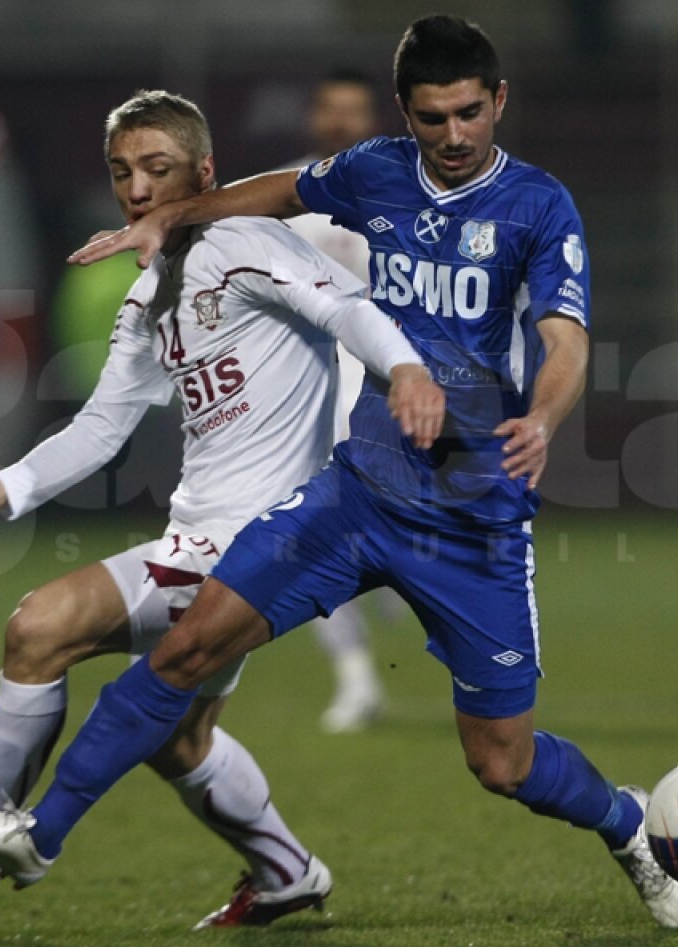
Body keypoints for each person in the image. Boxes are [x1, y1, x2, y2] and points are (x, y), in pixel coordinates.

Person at [0, 15, 678, 931]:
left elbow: (564, 338)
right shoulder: (376, 170)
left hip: (471, 517)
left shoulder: (538, 205)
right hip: (358, 491)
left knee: (503, 762)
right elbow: (282, 189)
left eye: (467, 114)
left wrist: (543, 414)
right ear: (406, 114)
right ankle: (37, 833)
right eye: (431, 118)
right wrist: (176, 213)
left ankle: (628, 824)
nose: (452, 137)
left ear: (498, 101)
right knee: (185, 650)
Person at [0, 89, 443, 929]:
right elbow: (103, 424)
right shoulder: (150, 294)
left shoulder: (248, 240)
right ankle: (287, 872)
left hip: (258, 543)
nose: (136, 187)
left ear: (205, 173)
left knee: (40, 625)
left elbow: (346, 309)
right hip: (208, 538)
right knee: (180, 739)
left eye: (157, 168)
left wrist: (411, 371)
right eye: (122, 172)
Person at [284, 70, 392, 733]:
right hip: (304, 393)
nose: (342, 121)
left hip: (388, 387)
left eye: (355, 110)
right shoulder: (282, 195)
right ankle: (355, 679)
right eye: (332, 109)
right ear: (315, 117)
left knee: (401, 536)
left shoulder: (405, 194)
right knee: (308, 538)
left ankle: (386, 574)